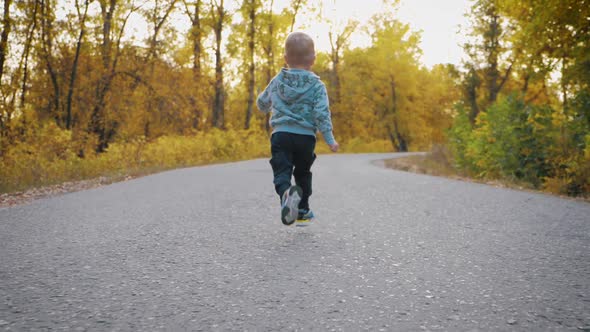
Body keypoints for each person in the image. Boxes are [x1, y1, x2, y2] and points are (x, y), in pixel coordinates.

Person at [257, 31, 339, 226]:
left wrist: (267, 106)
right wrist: (329, 139)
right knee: (303, 172)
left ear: (286, 58)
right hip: (305, 137)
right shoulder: (317, 85)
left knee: (282, 170)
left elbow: (262, 102)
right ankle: (302, 210)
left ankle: (286, 192)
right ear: (313, 59)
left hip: (281, 134)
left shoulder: (278, 80)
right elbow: (321, 113)